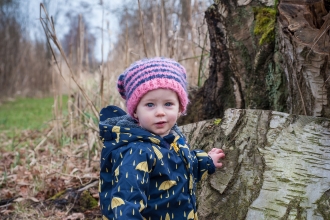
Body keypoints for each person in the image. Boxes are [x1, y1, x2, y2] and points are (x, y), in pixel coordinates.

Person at [99, 57, 225, 220]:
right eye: (150, 105)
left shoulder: (173, 138)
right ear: (135, 111)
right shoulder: (135, 151)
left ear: (180, 108)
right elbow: (126, 203)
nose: (160, 112)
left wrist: (204, 161)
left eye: (168, 104)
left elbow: (177, 168)